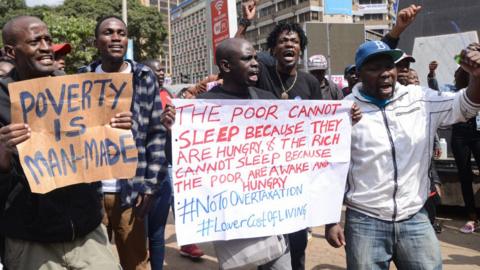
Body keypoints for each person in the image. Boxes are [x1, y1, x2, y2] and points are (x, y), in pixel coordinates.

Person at [325, 40, 480, 269]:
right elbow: (331, 171)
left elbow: (467, 105)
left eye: (389, 66)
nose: (385, 73)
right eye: (374, 68)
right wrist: (330, 221)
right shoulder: (344, 110)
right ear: (358, 74)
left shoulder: (421, 99)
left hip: (415, 216)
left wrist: (476, 75)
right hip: (364, 221)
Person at [0, 15, 127, 270]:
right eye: (35, 41)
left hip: (88, 233)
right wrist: (3, 151)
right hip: (32, 241)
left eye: (48, 39)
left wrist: (114, 129)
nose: (46, 47)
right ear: (11, 51)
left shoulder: (77, 89)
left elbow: (95, 151)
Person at [162, 38, 291, 270]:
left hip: (270, 210)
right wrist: (171, 132)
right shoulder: (201, 107)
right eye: (246, 59)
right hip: (231, 215)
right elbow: (178, 160)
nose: (255, 64)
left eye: (255, 58)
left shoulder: (268, 100)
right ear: (226, 66)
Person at [78, 16, 168, 270]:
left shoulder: (143, 76)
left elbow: (156, 134)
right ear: (96, 42)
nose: (116, 37)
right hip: (90, 193)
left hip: (130, 192)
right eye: (108, 33)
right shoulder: (81, 78)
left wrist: (150, 186)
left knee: (136, 263)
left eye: (121, 33)